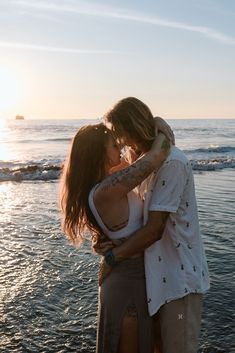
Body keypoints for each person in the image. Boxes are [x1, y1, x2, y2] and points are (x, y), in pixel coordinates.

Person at [96, 97, 210, 353]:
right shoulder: (142, 160)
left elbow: (155, 229)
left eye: (120, 134)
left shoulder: (173, 163)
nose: (120, 142)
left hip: (179, 283)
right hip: (153, 280)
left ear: (131, 128)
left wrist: (113, 258)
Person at [60, 121, 171, 353]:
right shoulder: (107, 189)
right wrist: (160, 127)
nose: (120, 149)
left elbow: (135, 159)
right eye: (114, 145)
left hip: (132, 278)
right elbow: (156, 156)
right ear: (99, 153)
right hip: (126, 284)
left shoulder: (107, 183)